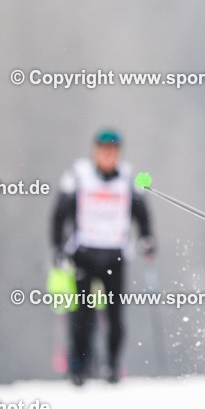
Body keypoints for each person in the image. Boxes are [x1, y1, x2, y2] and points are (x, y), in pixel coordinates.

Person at [52, 129, 154, 385]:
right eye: (103, 150)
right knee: (82, 315)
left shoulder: (130, 178)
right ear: (95, 151)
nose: (108, 155)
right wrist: (57, 247)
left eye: (113, 151)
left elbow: (142, 214)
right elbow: (58, 215)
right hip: (83, 255)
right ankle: (79, 367)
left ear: (118, 153)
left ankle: (111, 366)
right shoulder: (78, 176)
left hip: (115, 257)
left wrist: (147, 240)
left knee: (115, 316)